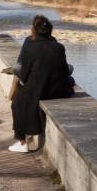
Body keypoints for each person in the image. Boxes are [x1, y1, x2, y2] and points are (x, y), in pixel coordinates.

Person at [9, 14, 74, 153]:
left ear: (34, 30)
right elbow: (64, 71)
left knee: (16, 103)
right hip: (57, 91)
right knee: (70, 71)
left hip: (40, 89)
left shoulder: (29, 46)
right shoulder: (59, 47)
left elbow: (24, 74)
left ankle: (22, 142)